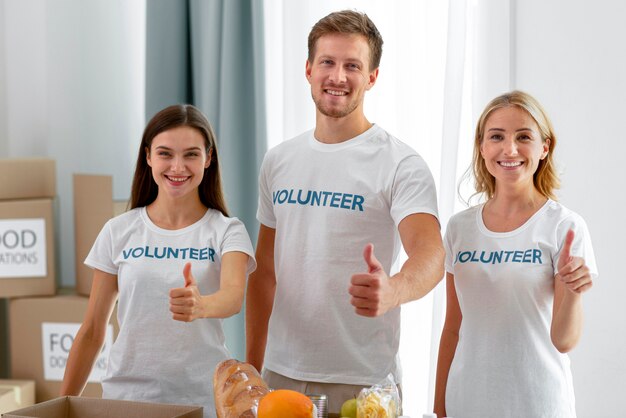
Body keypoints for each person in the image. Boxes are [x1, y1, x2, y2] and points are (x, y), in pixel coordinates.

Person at [245, 10, 444, 414]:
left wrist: (394, 290)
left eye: (352, 65)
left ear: (372, 77)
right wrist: (253, 366)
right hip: (281, 374)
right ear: (308, 69)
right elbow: (264, 270)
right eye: (328, 62)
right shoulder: (278, 161)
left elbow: (431, 254)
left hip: (363, 382)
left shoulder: (400, 163)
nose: (338, 76)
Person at [61, 104, 256, 418]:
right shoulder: (119, 231)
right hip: (125, 401)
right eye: (166, 153)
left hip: (199, 401)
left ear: (208, 158)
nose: (177, 167)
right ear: (148, 156)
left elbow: (233, 297)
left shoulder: (226, 231)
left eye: (191, 154)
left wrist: (201, 305)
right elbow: (92, 330)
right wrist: (60, 407)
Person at [434, 91, 598, 418]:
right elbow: (453, 327)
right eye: (497, 137)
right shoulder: (459, 228)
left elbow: (564, 340)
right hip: (468, 402)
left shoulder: (564, 227)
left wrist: (575, 294)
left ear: (544, 148)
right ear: (482, 147)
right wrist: (440, 408)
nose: (509, 149)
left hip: (539, 404)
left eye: (524, 136)